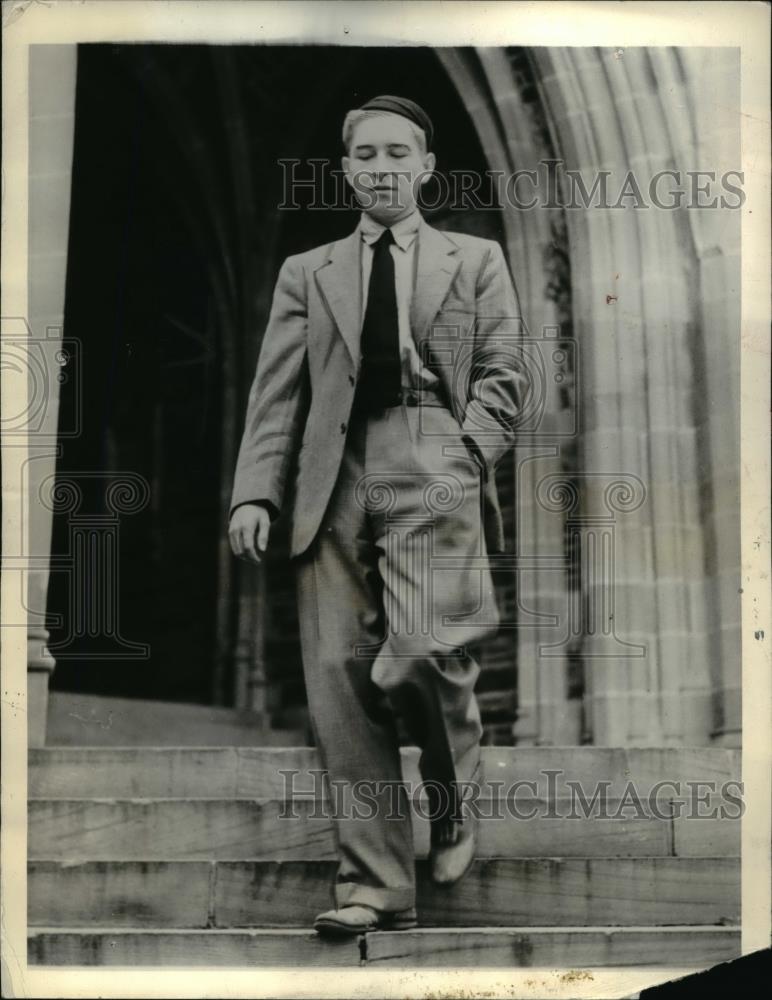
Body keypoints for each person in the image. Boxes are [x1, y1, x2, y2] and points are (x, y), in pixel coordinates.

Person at [228, 95, 527, 936]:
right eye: (366, 155)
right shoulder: (308, 272)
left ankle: (450, 794)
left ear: (426, 167)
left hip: (434, 457)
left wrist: (468, 451)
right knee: (335, 681)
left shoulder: (475, 259)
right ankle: (376, 883)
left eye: (400, 153)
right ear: (348, 168)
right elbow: (276, 394)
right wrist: (256, 490)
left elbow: (506, 367)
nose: (383, 166)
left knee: (424, 652)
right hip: (335, 473)